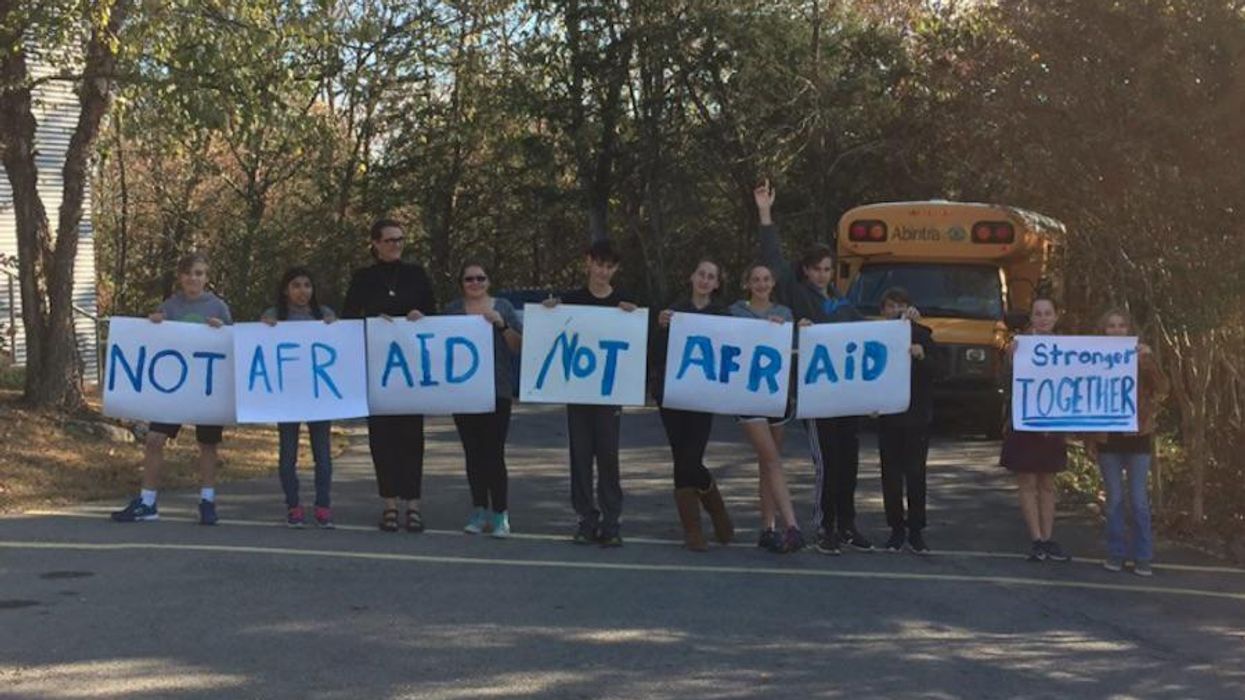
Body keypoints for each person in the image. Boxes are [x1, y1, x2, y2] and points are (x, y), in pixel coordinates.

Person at [754, 180, 872, 556]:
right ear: (805, 271)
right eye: (816, 269)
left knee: (848, 462)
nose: (822, 275)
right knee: (827, 463)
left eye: (827, 269)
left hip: (846, 397)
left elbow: (871, 338)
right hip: (816, 396)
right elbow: (773, 262)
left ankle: (847, 522)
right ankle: (824, 526)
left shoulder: (844, 304)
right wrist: (765, 214)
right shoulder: (796, 295)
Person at [111, 252, 233, 525]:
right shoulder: (171, 305)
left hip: (206, 389)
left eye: (199, 273)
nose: (194, 278)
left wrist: (222, 329)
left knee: (207, 444)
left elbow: (232, 344)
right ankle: (148, 501)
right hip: (173, 389)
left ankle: (207, 501)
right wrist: (153, 324)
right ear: (181, 277)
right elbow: (155, 342)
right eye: (189, 273)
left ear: (207, 278)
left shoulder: (218, 307)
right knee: (154, 439)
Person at [342, 218, 436, 533]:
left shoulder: (417, 275)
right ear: (376, 243)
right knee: (382, 441)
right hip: (378, 370)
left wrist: (420, 317)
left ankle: (413, 505)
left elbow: (434, 317)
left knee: (412, 439)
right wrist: (371, 319)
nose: (396, 244)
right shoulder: (363, 278)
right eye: (390, 240)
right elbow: (348, 318)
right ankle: (389, 505)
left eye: (400, 239)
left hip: (411, 372)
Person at [542, 240, 638, 547]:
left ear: (616, 270)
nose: (603, 271)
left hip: (609, 395)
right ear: (588, 263)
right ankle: (586, 518)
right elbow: (551, 333)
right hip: (579, 393)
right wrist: (549, 313)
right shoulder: (571, 300)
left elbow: (636, 346)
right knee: (580, 456)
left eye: (609, 266)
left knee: (608, 456)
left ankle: (612, 520)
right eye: (599, 264)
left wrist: (633, 316)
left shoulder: (624, 302)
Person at [651, 259, 734, 552]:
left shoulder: (723, 314)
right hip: (671, 394)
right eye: (701, 274)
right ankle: (693, 530)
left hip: (703, 395)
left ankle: (717, 510)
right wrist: (660, 328)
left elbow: (742, 342)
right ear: (692, 276)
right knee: (680, 456)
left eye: (711, 276)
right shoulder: (674, 310)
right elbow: (656, 354)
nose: (705, 280)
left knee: (691, 457)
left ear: (716, 284)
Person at [1084, 308, 1169, 576]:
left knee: (1139, 500)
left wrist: (1147, 360)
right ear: (1103, 330)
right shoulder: (1092, 358)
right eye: (1111, 325)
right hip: (1107, 439)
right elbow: (1085, 399)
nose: (1116, 330)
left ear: (1129, 329)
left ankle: (1143, 556)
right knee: (1115, 500)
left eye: (1122, 325)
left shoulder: (1141, 356)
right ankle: (1116, 553)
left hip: (1138, 438)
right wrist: (1089, 440)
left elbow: (1163, 389)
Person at [442, 261, 523, 539]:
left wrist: (501, 326)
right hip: (463, 392)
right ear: (461, 284)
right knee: (473, 453)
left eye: (480, 278)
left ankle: (501, 513)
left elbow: (517, 347)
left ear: (488, 281)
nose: (475, 283)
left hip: (496, 390)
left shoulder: (503, 307)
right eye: (469, 279)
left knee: (494, 453)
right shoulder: (452, 310)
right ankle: (479, 510)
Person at [729, 263, 805, 554]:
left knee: (766, 463)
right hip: (749, 395)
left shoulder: (784, 313)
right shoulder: (736, 311)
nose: (761, 284)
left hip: (777, 395)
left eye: (766, 279)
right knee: (772, 460)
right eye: (755, 279)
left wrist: (794, 330)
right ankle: (792, 526)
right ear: (747, 283)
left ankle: (767, 528)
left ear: (772, 283)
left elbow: (795, 347)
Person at [260, 266, 337, 529]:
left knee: (323, 456)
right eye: (296, 285)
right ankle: (293, 506)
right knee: (287, 456)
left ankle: (323, 505)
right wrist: (264, 328)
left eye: (307, 285)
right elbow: (260, 345)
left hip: (319, 396)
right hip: (287, 397)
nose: (302, 291)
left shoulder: (324, 315)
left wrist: (334, 328)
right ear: (286, 290)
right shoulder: (273, 316)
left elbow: (338, 348)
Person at [1000, 296, 1071, 562]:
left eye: (1047, 313)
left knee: (1048, 482)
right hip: (1025, 421)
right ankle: (1037, 538)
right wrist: (1009, 359)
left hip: (1053, 423)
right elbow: (1005, 385)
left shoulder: (1067, 347)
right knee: (1028, 481)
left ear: (1055, 317)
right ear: (1031, 317)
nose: (1042, 318)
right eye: (1038, 313)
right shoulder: (1019, 346)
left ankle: (1049, 537)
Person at [877, 287, 938, 554]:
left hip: (916, 417)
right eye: (891, 306)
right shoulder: (875, 337)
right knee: (890, 476)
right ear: (883, 311)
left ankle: (916, 530)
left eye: (901, 306)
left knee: (915, 474)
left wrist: (921, 353)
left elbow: (939, 370)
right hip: (888, 417)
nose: (896, 311)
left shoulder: (923, 335)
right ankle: (895, 528)